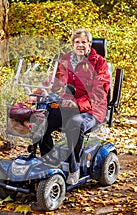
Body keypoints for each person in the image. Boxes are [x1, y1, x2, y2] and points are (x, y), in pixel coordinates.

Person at [33, 28, 111, 185]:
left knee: (75, 123)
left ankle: (73, 168)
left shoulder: (100, 63)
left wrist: (77, 103)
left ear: (90, 44)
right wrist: (36, 94)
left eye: (84, 42)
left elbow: (100, 93)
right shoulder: (65, 60)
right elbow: (52, 81)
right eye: (77, 42)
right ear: (72, 44)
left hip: (92, 110)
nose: (80, 45)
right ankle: (50, 162)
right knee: (41, 118)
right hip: (66, 106)